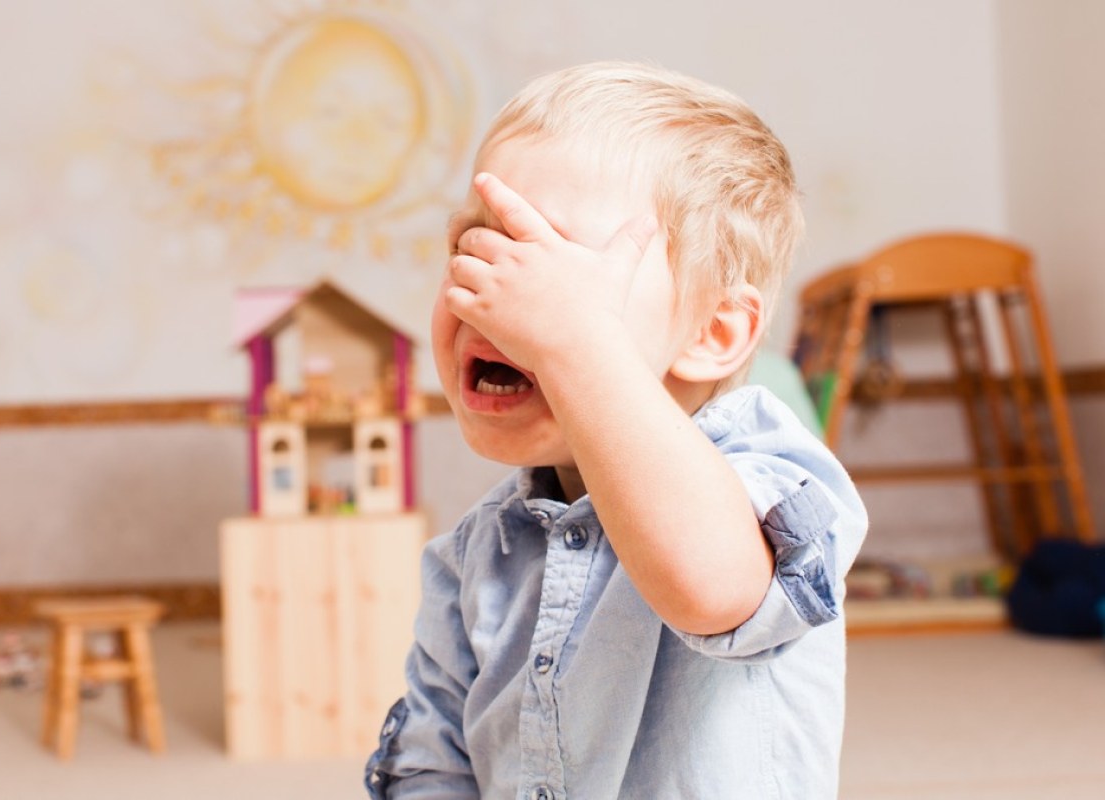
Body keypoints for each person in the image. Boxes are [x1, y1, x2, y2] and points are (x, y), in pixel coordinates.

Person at [365, 61, 868, 799]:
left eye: (555, 273)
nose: (495, 297)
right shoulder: (476, 556)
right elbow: (433, 761)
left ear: (713, 331)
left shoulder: (767, 471)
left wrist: (576, 345)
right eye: (478, 252)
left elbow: (714, 592)